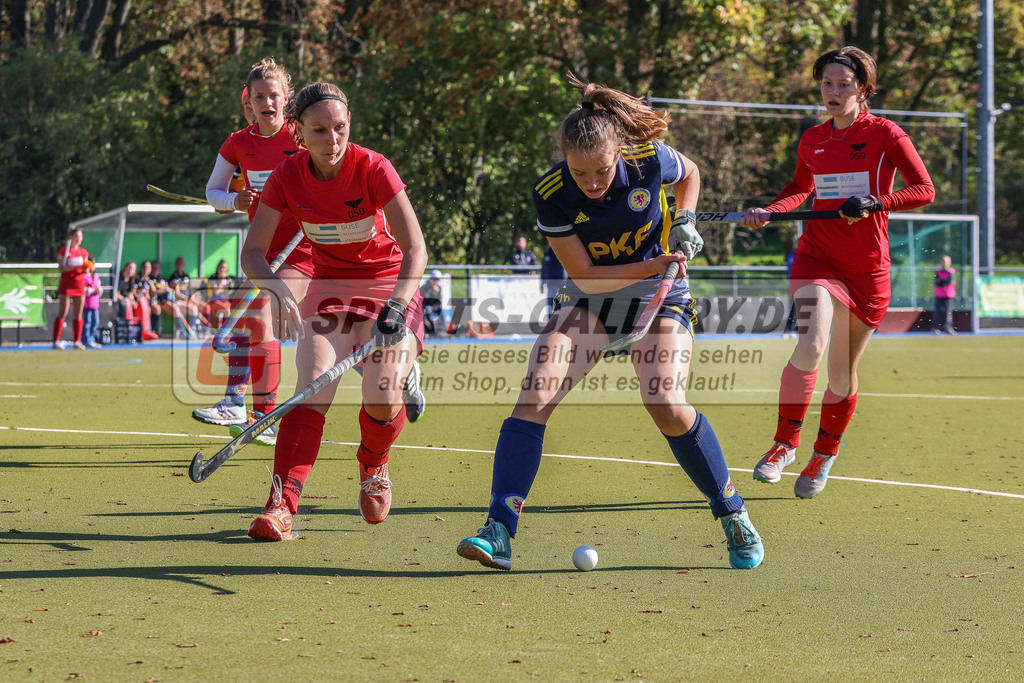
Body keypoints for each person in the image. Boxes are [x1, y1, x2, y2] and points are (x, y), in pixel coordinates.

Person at [456, 75, 764, 572]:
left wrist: (684, 218)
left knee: (665, 402)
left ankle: (732, 513)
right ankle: (499, 531)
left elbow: (692, 173)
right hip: (592, 298)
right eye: (581, 174)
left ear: (619, 151)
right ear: (563, 161)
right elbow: (586, 276)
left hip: (661, 298)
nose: (594, 184)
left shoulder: (650, 159)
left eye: (601, 171)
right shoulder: (551, 193)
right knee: (535, 393)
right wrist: (650, 263)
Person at [741, 46, 935, 498]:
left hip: (867, 269)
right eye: (826, 84)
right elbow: (799, 188)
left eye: (842, 84)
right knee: (810, 344)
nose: (832, 92)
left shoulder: (885, 133)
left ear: (863, 89)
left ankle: (824, 454)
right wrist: (770, 210)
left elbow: (924, 189)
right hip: (818, 258)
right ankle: (783, 445)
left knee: (841, 375)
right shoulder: (812, 139)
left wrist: (877, 202)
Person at [239, 81, 428, 541]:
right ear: (299, 133)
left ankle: (374, 463)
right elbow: (253, 253)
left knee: (381, 395)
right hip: (328, 291)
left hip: (389, 287)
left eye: (340, 128)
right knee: (310, 390)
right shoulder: (288, 176)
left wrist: (398, 308)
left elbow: (416, 249)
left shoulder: (374, 167)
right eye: (320, 130)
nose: (333, 140)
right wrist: (278, 289)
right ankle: (282, 505)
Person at [197, 59, 426, 437]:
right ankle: (235, 402)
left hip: (305, 247)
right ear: (248, 103)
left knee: (257, 316)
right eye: (259, 97)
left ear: (286, 102)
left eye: (274, 95)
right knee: (246, 322)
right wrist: (232, 202)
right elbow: (214, 192)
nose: (266, 102)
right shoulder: (239, 142)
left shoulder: (305, 133)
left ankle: (257, 414)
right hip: (266, 247)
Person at [53, 227, 90, 350]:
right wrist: (74, 266)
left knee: (78, 314)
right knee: (63, 312)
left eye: (81, 237)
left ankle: (77, 341)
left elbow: (85, 268)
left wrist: (88, 267)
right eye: (77, 237)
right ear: (71, 238)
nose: (79, 239)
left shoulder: (83, 252)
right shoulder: (64, 251)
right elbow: (62, 268)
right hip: (67, 285)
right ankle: (56, 341)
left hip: (79, 284)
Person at [167, 256, 206, 339]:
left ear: (185, 264)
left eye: (182, 263)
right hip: (178, 301)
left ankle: (204, 330)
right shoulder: (174, 277)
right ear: (176, 265)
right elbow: (177, 294)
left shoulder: (186, 276)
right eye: (178, 263)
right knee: (194, 309)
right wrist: (188, 299)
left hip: (188, 300)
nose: (180, 265)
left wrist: (192, 297)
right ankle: (190, 331)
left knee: (205, 307)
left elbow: (190, 290)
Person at [201, 259, 235, 329]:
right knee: (227, 311)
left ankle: (231, 331)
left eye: (224, 267)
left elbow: (226, 295)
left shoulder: (227, 279)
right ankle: (224, 331)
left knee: (234, 309)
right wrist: (222, 281)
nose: (222, 269)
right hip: (214, 300)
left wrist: (228, 288)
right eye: (221, 267)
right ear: (218, 268)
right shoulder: (213, 277)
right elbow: (216, 292)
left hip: (224, 300)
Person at [932, 255, 956, 335]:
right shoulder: (938, 272)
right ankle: (936, 328)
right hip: (939, 295)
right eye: (943, 262)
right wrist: (943, 281)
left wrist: (942, 281)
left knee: (948, 312)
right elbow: (937, 282)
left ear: (949, 263)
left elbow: (949, 281)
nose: (944, 263)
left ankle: (948, 328)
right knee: (937, 312)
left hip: (948, 295)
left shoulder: (952, 271)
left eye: (946, 262)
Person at [540, 244, 566, 316]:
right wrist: (541, 284)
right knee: (551, 305)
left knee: (560, 305)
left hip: (561, 284)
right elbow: (544, 270)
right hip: (552, 284)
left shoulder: (562, 253)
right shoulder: (548, 254)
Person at [419, 269, 446, 336]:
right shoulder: (424, 287)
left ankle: (443, 330)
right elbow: (425, 300)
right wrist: (432, 292)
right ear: (431, 279)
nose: (436, 281)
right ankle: (428, 331)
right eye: (435, 279)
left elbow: (438, 300)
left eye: (438, 280)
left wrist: (436, 293)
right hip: (424, 306)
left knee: (440, 311)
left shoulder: (439, 288)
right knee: (428, 310)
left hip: (433, 306)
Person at [82, 262, 103, 348]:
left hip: (95, 304)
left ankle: (91, 339)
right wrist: (93, 291)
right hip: (87, 304)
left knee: (95, 322)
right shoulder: (84, 277)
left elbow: (99, 288)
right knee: (87, 323)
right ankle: (86, 340)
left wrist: (99, 290)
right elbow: (84, 290)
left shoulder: (96, 276)